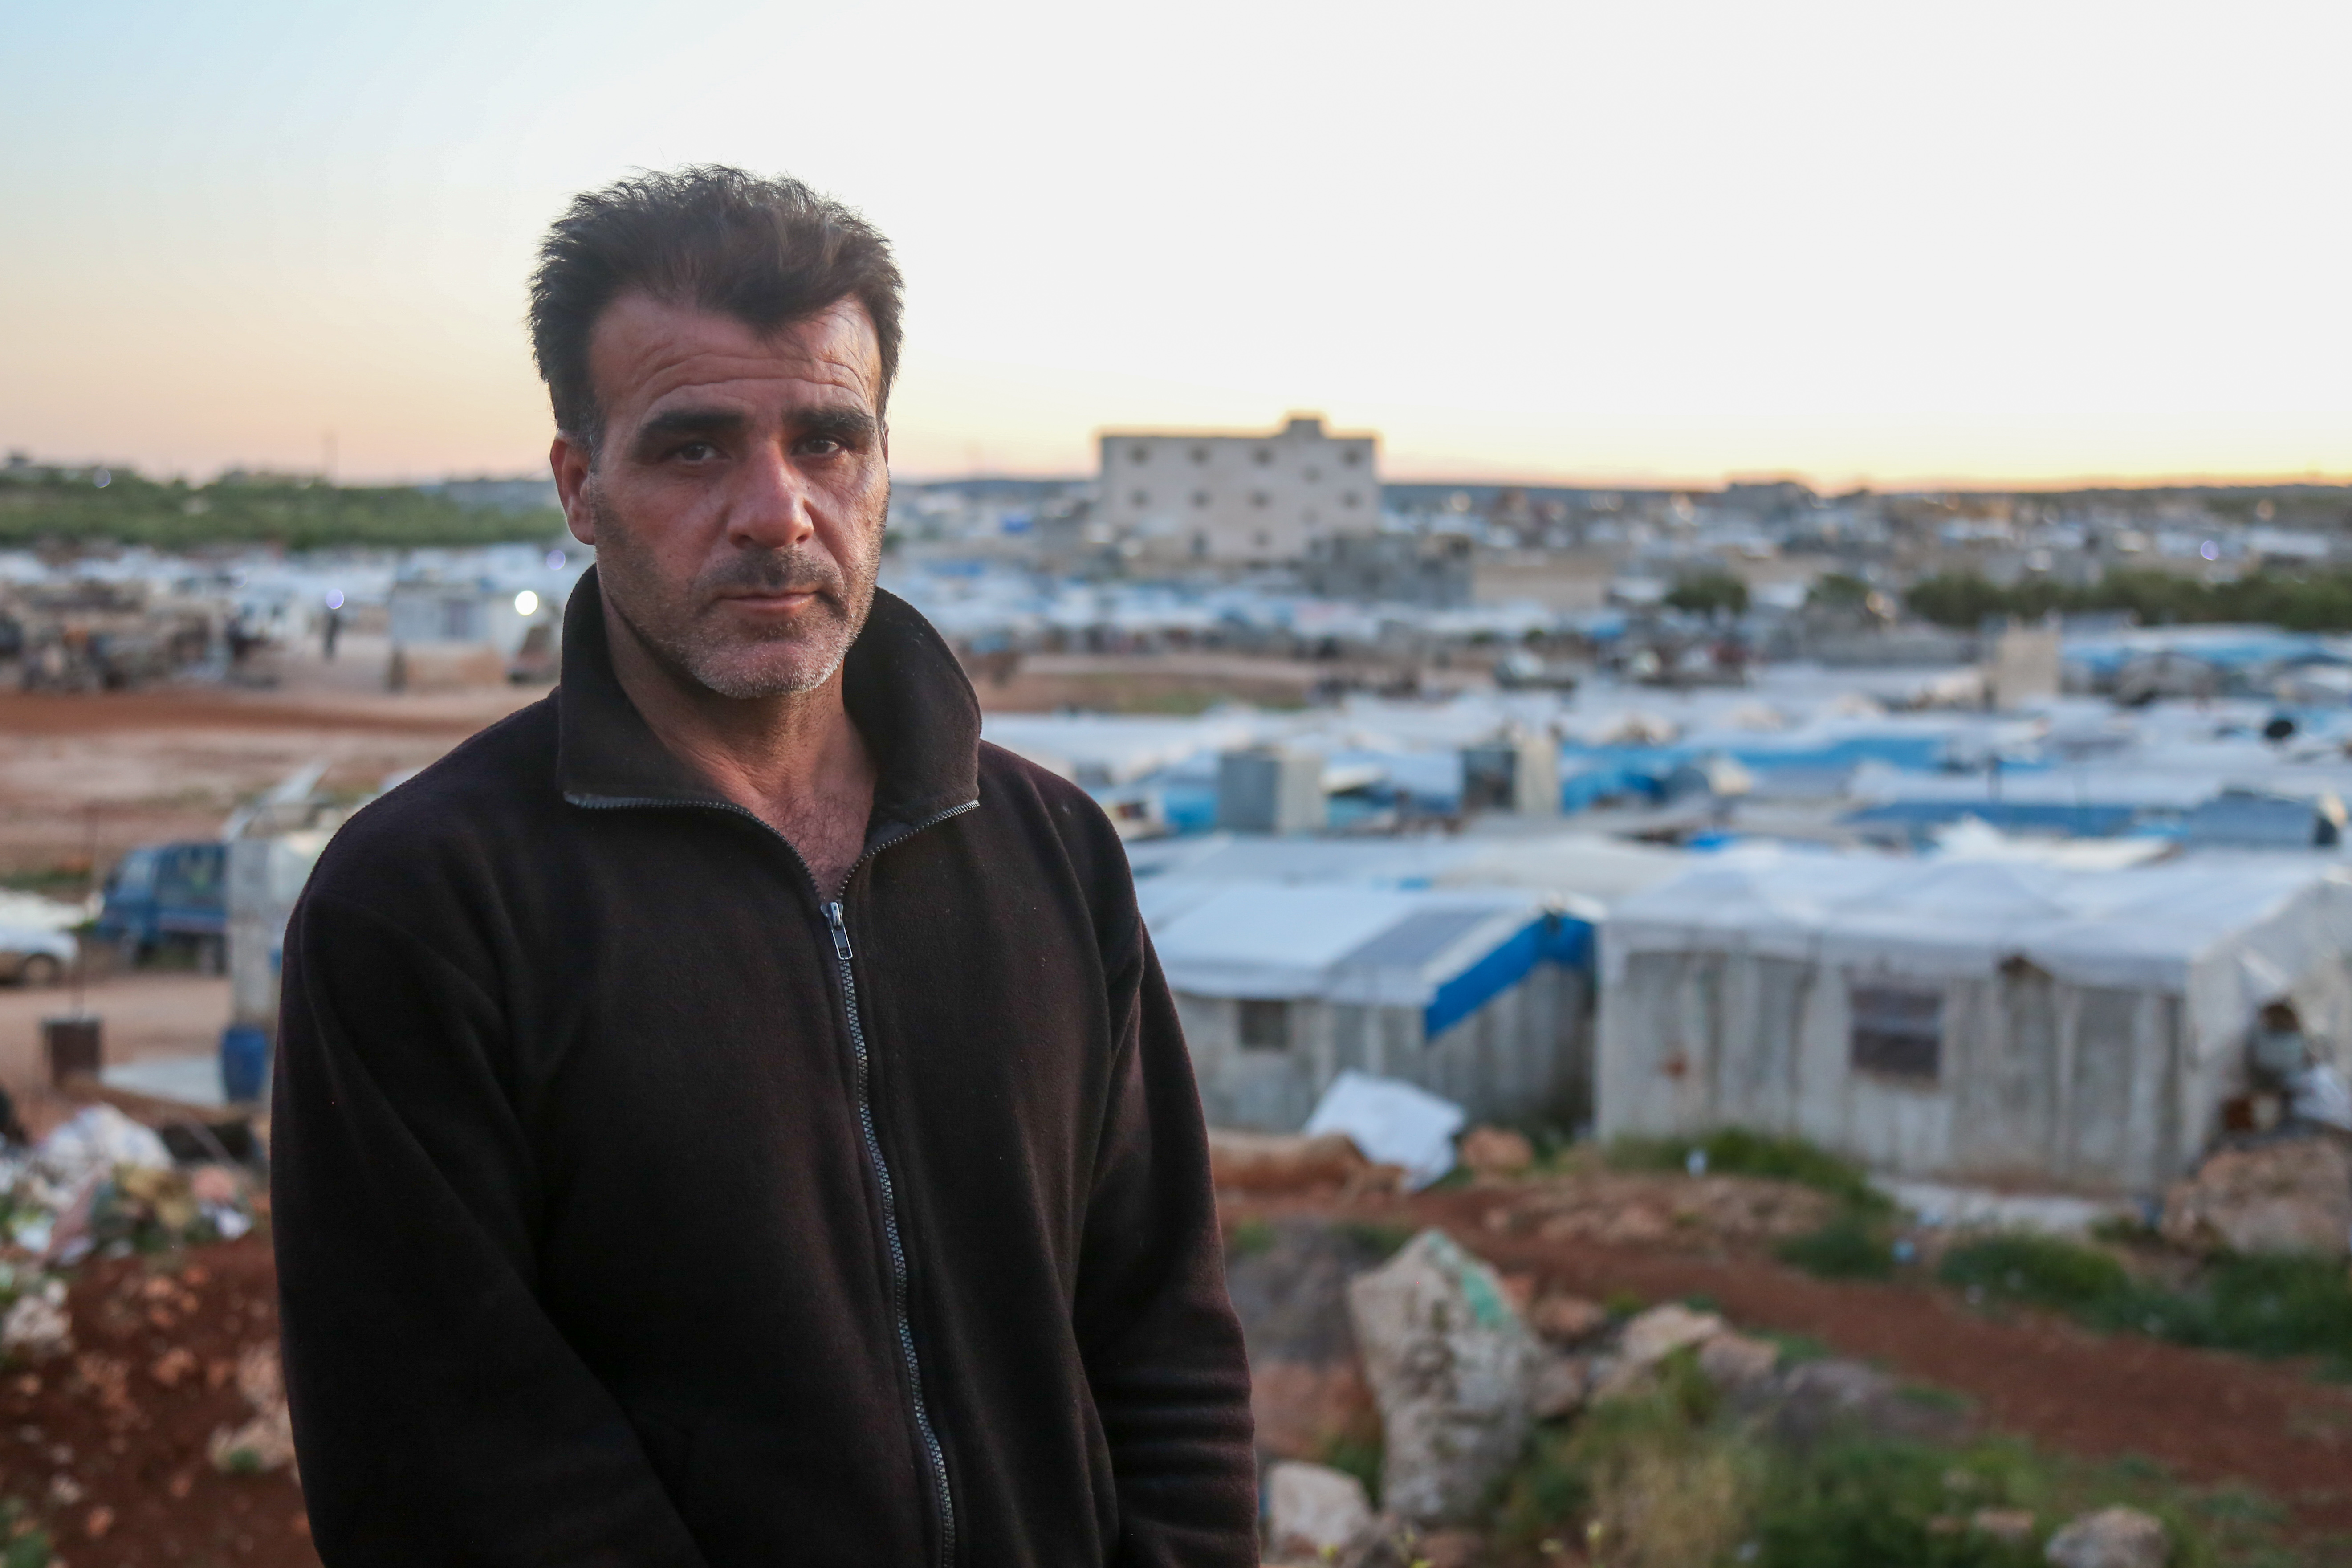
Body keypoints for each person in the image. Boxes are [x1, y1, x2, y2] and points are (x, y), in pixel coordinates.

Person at [271, 167, 1257, 1567]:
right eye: (692, 447)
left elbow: (1166, 1336)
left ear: (883, 467)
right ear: (579, 486)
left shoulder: (1048, 852)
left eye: (828, 440)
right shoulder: (428, 904)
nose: (776, 510)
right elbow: (446, 1463)